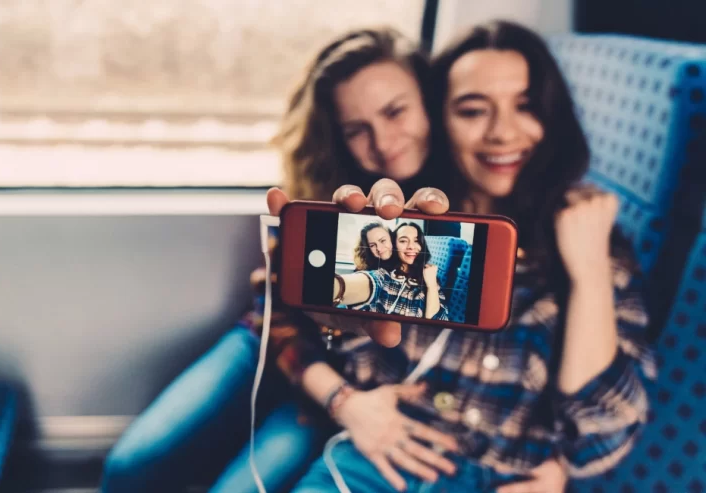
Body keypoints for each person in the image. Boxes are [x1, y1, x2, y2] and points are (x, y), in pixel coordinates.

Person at [285, 20, 657, 493]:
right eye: (473, 110)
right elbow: (290, 309)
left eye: (526, 107)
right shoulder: (404, 215)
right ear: (439, 119)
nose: (503, 133)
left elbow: (599, 445)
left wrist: (588, 275)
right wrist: (346, 400)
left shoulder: (592, 236)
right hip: (384, 456)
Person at [100, 27, 449, 493]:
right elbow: (275, 308)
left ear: (429, 101)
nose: (383, 142)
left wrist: (343, 398)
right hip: (275, 342)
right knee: (129, 465)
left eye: (395, 112)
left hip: (344, 374)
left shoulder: (455, 208)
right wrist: (340, 398)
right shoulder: (330, 192)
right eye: (356, 130)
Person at [337, 222, 448, 320]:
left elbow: (438, 321)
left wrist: (431, 285)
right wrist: (337, 287)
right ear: (394, 244)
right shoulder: (384, 275)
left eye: (416, 241)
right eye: (403, 241)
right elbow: (371, 281)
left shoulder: (431, 278)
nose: (411, 246)